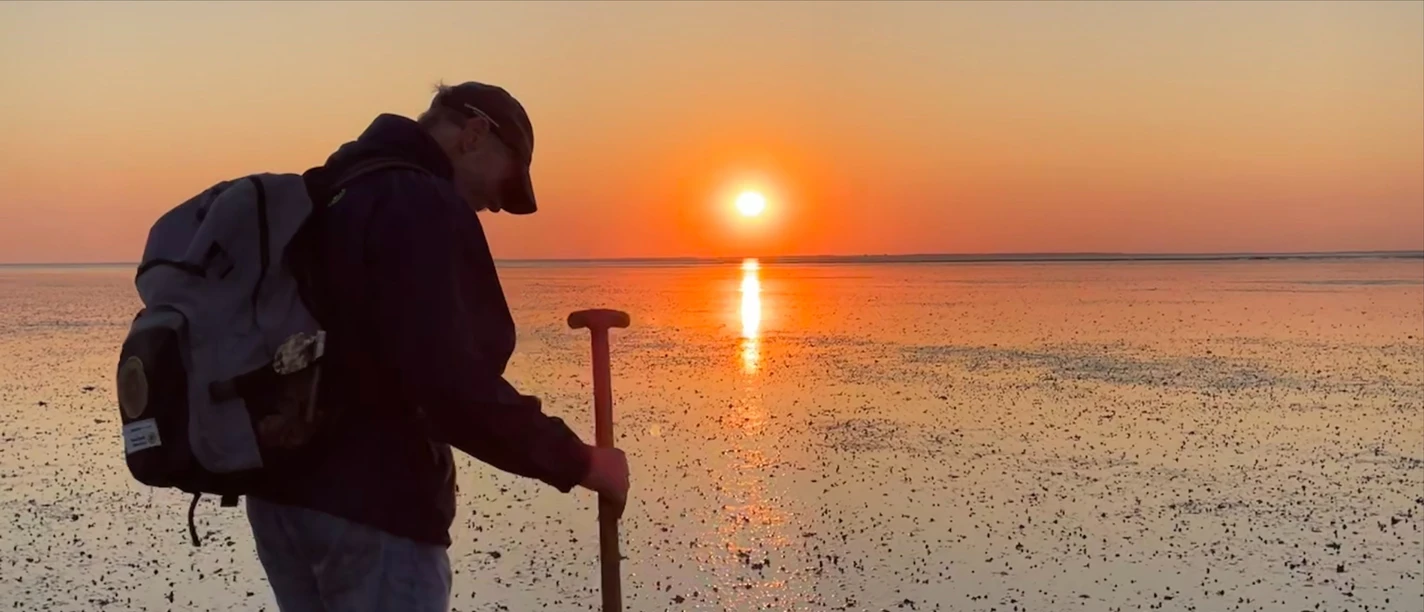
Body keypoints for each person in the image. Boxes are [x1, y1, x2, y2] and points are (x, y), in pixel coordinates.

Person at [244, 81, 631, 612]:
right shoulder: (418, 201)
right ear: (474, 135)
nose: (498, 203)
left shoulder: (331, 189)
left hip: (283, 502)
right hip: (372, 506)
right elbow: (448, 383)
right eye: (509, 179)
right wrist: (578, 460)